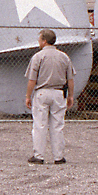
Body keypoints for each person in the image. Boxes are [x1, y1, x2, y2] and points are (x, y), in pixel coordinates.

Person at [24, 29, 75, 165]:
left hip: (42, 92)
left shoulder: (38, 57)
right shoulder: (64, 57)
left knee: (40, 124)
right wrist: (70, 95)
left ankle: (38, 155)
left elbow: (32, 80)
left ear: (44, 41)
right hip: (59, 92)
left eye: (40, 39)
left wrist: (28, 95)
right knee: (57, 125)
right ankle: (58, 156)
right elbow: (70, 79)